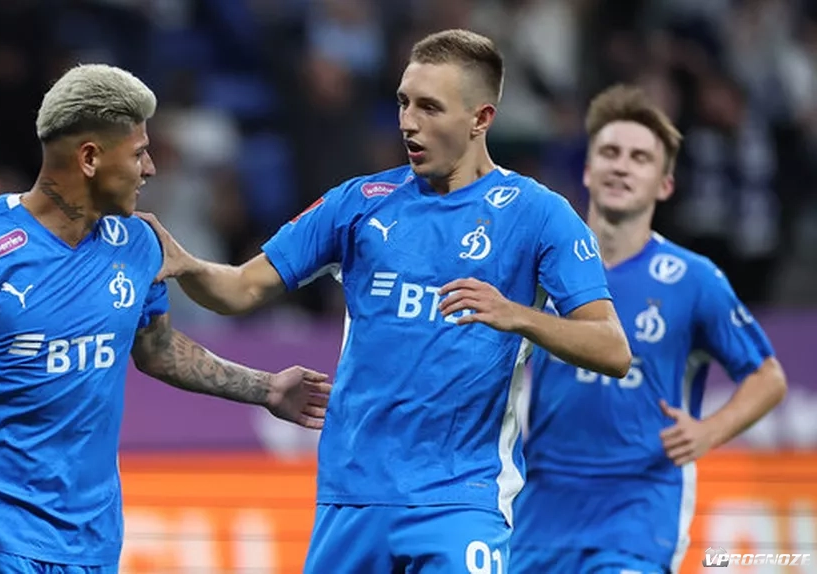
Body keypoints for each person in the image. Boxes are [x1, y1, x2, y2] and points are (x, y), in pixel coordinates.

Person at [137, 30, 632, 573]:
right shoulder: (359, 203)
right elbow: (240, 289)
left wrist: (518, 316)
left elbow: (612, 348)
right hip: (351, 498)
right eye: (403, 102)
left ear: (481, 118)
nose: (408, 123)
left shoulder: (539, 214)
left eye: (429, 107)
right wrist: (188, 265)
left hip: (461, 501)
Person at [0, 63, 331, 574]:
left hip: (91, 533)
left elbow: (159, 351)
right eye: (138, 153)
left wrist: (266, 389)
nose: (150, 168)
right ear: (90, 158)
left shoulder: (139, 243)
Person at [511, 84, 788, 574]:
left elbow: (768, 377)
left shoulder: (692, 279)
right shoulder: (543, 269)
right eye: (610, 153)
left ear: (665, 185)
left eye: (639, 158)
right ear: (588, 170)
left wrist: (709, 431)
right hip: (540, 511)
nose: (621, 166)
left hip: (639, 512)